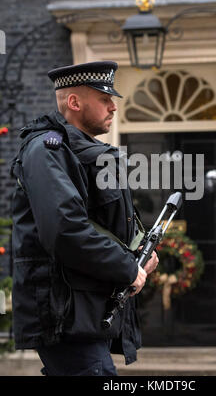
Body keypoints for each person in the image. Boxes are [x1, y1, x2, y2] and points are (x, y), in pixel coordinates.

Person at [10, 61, 159, 376]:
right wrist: (125, 267)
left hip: (85, 312)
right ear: (75, 103)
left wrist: (137, 257)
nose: (114, 107)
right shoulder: (46, 150)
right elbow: (66, 231)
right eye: (104, 99)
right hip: (63, 314)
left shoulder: (79, 151)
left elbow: (98, 224)